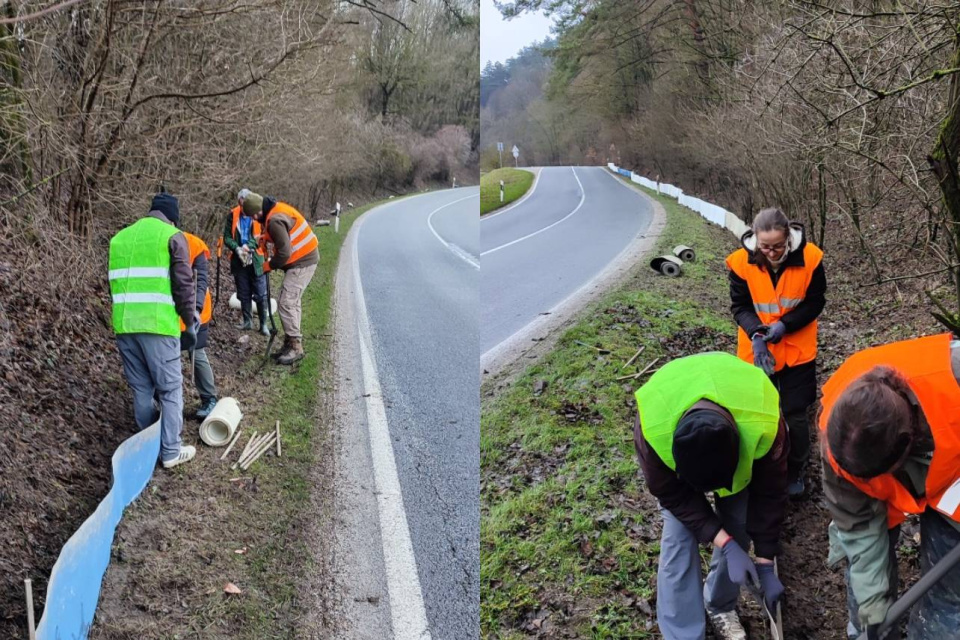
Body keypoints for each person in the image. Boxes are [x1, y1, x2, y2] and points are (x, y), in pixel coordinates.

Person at [633, 352, 789, 640]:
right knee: (678, 540)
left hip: (739, 417)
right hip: (674, 422)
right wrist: (724, 543)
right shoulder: (652, 428)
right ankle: (684, 633)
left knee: (739, 523)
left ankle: (719, 603)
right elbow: (673, 495)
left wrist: (765, 560)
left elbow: (770, 491)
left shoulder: (765, 418)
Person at [821, 333, 960, 639]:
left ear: (906, 447)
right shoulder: (838, 442)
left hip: (954, 482)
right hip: (907, 472)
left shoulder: (955, 376)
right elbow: (858, 526)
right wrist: (873, 608)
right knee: (867, 600)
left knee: (950, 596)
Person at [726, 207, 826, 497]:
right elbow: (739, 306)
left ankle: (797, 468)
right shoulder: (740, 262)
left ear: (788, 240)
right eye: (765, 246)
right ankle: (764, 466)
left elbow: (815, 301)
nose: (770, 252)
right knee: (760, 411)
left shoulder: (811, 259)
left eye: (777, 246)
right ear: (755, 239)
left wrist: (785, 325)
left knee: (795, 413)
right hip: (756, 350)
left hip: (797, 349)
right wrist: (757, 334)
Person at [108, 191, 196, 469]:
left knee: (141, 390)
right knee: (170, 390)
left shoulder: (119, 239)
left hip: (125, 326)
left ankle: (147, 448)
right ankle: (170, 450)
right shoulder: (172, 236)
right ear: (173, 218)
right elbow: (184, 285)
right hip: (158, 325)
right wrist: (189, 322)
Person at [244, 193, 319, 365]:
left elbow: (284, 253)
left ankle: (295, 347)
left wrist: (267, 266)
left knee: (287, 302)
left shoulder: (274, 220)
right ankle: (290, 341)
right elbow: (280, 237)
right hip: (303, 258)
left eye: (253, 216)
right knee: (292, 301)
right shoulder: (274, 211)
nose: (254, 219)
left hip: (303, 261)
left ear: (258, 211)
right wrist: (263, 239)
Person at [180, 230, 218, 419]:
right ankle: (165, 400)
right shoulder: (158, 240)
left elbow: (201, 280)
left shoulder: (194, 244)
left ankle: (209, 398)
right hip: (169, 312)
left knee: (196, 351)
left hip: (197, 310)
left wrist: (195, 310)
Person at [222, 188, 269, 335]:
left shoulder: (259, 214)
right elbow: (227, 237)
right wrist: (237, 248)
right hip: (238, 259)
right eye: (242, 205)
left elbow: (262, 235)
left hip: (256, 258)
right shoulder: (232, 214)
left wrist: (249, 246)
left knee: (261, 294)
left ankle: (263, 324)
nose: (244, 209)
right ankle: (247, 322)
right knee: (243, 292)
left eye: (246, 206)